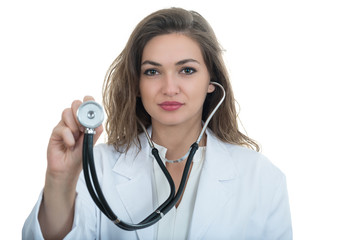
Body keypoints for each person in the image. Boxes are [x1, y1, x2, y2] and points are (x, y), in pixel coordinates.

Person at [22, 7, 292, 240]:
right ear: (136, 85)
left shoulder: (262, 179)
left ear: (211, 82)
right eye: (152, 72)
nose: (169, 87)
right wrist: (60, 179)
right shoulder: (97, 168)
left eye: (187, 70)